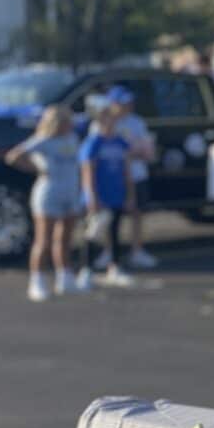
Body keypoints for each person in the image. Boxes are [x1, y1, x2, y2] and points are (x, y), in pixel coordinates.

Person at [4, 105, 83, 301]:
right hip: (49, 193)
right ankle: (37, 280)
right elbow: (13, 156)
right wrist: (36, 169)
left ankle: (64, 276)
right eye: (65, 121)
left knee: (64, 238)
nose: (69, 125)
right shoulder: (43, 140)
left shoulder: (72, 139)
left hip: (70, 192)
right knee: (43, 240)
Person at [99, 85, 159, 272]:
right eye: (123, 103)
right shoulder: (102, 123)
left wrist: (137, 153)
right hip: (112, 177)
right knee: (110, 216)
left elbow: (146, 150)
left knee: (137, 213)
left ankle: (137, 251)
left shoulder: (137, 122)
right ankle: (108, 251)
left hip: (137, 174)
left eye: (129, 102)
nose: (129, 106)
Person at [78, 100, 137, 288]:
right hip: (99, 194)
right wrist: (92, 196)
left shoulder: (121, 143)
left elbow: (127, 171)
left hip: (116, 193)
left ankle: (115, 267)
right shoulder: (93, 143)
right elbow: (88, 172)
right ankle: (85, 270)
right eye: (107, 119)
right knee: (93, 233)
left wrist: (130, 195)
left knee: (114, 232)